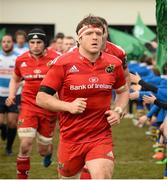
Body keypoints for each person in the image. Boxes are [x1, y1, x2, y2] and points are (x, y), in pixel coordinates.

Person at [36, 15, 129, 179]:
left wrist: (119, 110)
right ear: (79, 38)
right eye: (89, 33)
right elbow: (42, 97)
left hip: (100, 136)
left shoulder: (114, 63)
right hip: (71, 138)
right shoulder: (62, 63)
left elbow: (122, 91)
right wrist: (68, 106)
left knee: (103, 175)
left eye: (99, 34)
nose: (95, 37)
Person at [5, 28, 59, 179]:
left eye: (39, 42)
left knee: (43, 150)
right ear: (28, 44)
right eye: (32, 42)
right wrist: (11, 94)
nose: (35, 45)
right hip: (28, 105)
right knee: (25, 144)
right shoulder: (21, 60)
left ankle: (48, 152)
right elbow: (15, 79)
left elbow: (63, 81)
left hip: (49, 107)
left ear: (45, 43)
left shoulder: (56, 58)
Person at [0, 34, 20, 155]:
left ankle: (9, 148)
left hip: (13, 94)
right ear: (1, 43)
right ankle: (3, 129)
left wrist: (21, 84)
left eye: (8, 41)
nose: (6, 44)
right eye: (4, 42)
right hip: (0, 95)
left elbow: (22, 76)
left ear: (13, 43)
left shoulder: (18, 58)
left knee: (12, 122)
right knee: (0, 122)